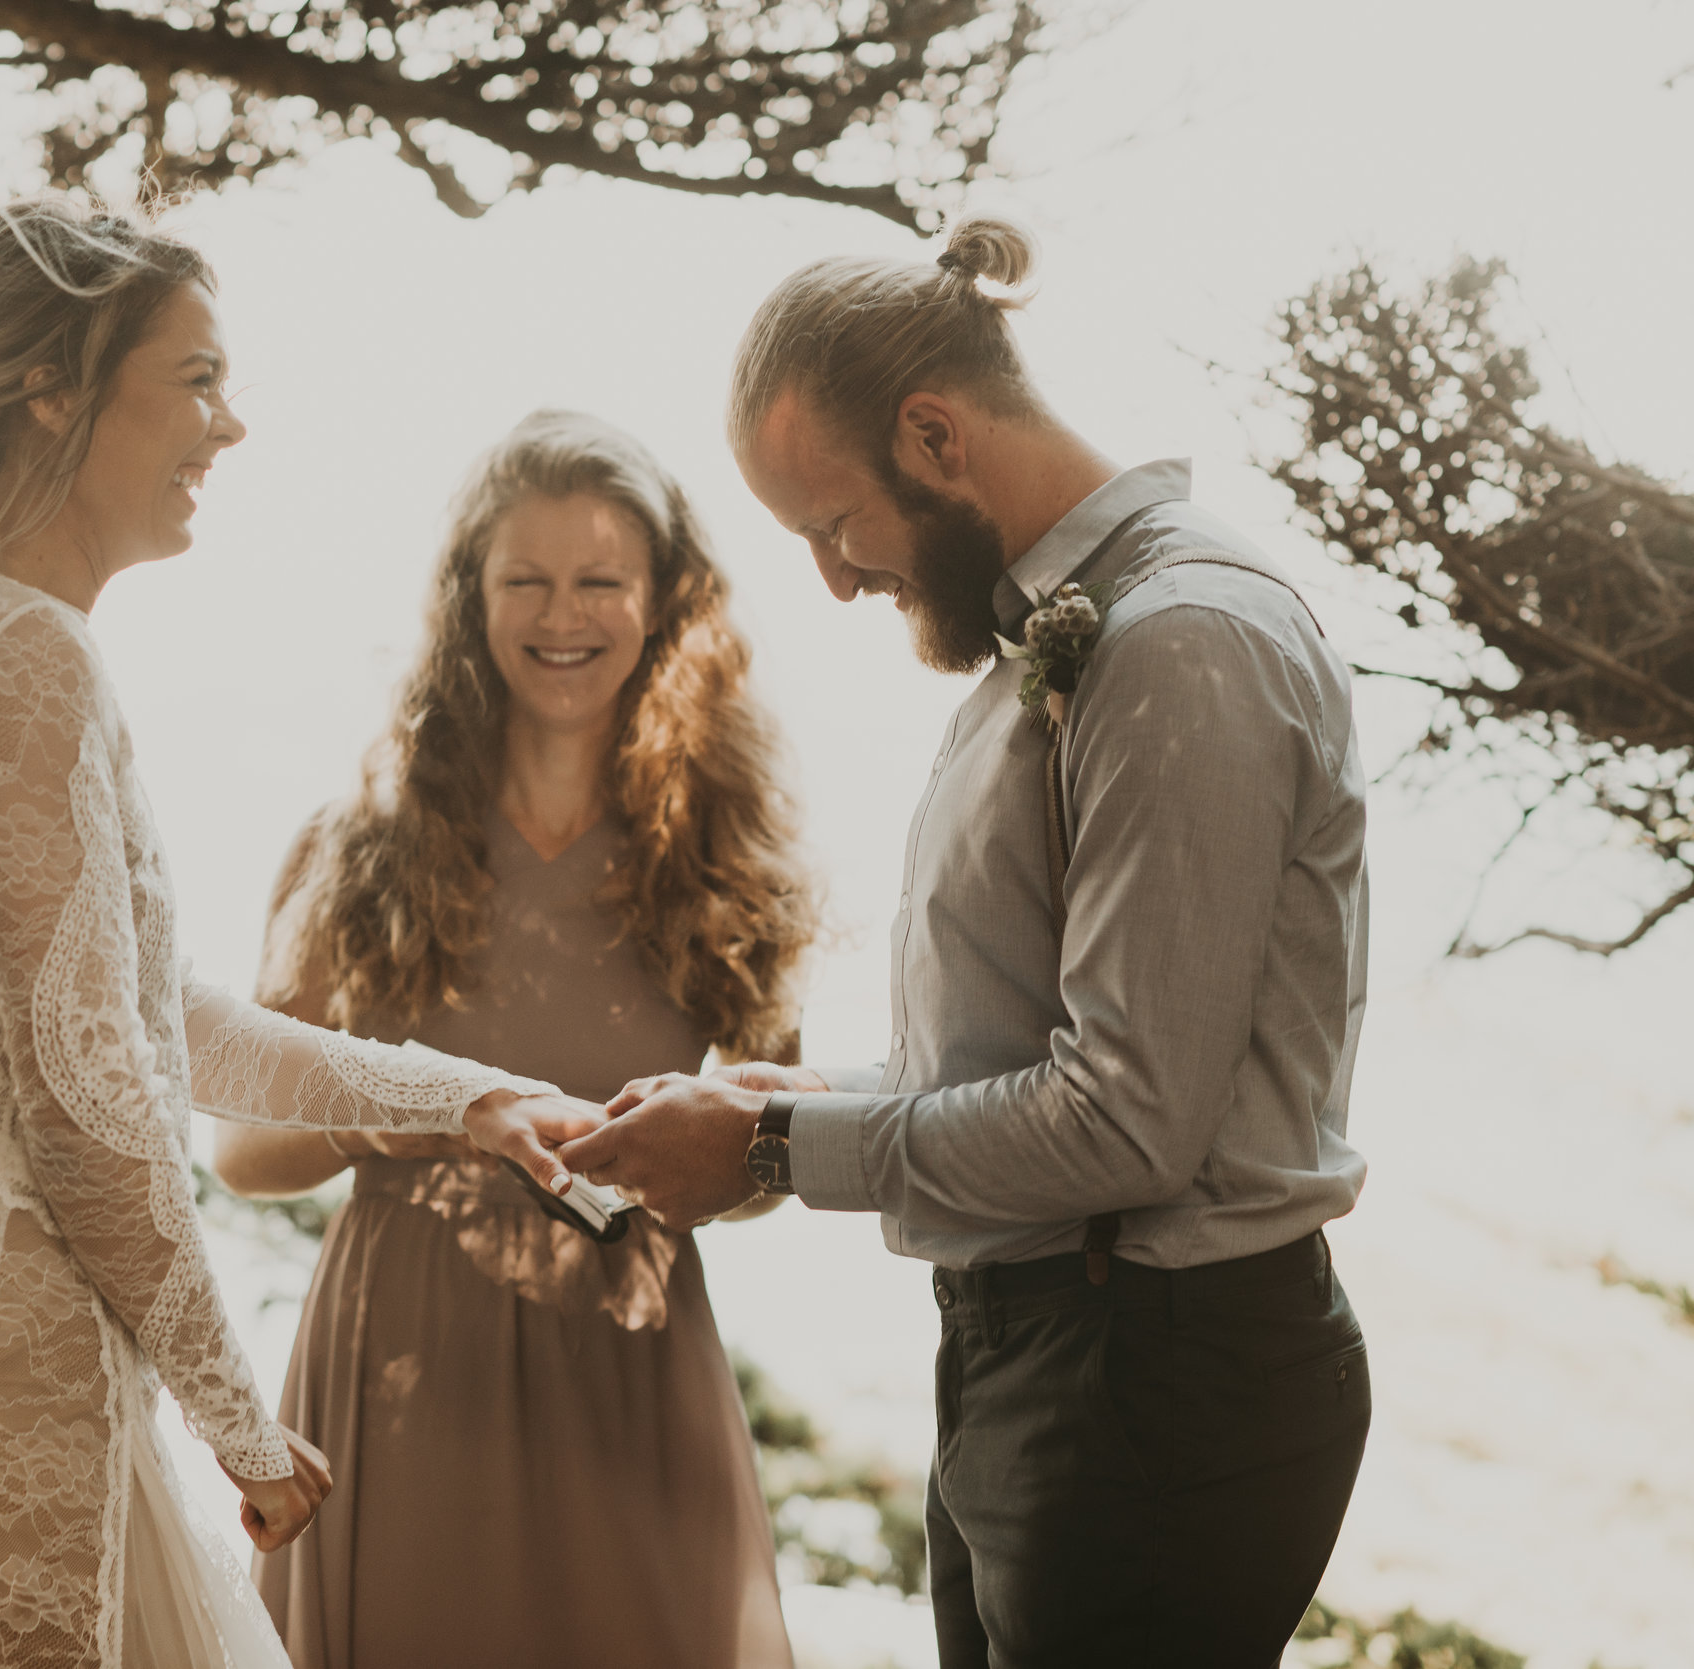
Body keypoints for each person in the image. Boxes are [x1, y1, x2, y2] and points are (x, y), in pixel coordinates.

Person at [0, 199, 605, 1669]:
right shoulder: (15, 646)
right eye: (197, 377)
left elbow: (150, 1019)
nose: (232, 424)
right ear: (54, 387)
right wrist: (241, 1422)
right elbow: (84, 1096)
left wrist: (465, 1098)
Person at [563, 217, 1373, 1666]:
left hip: (1156, 1381)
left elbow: (1128, 1120)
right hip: (1058, 1352)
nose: (833, 578)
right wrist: (786, 1101)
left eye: (830, 525)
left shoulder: (1179, 642)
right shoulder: (1067, 636)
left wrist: (768, 1158)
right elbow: (1019, 1053)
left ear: (934, 435)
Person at [213, 410, 817, 1668]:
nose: (564, 615)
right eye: (525, 580)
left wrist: (719, 1154)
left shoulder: (728, 850)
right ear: (468, 597)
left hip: (629, 1364)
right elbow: (243, 1151)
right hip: (398, 1362)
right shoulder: (360, 843)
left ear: (660, 601)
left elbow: (770, 1162)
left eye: (601, 579)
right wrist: (416, 1106)